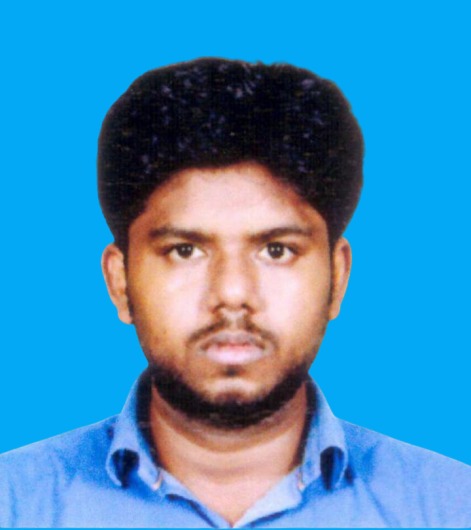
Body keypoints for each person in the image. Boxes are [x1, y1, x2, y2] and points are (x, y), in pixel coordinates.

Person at [0, 58, 469, 528]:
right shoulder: (16, 504)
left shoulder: (449, 506)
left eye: (277, 250)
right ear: (120, 281)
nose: (232, 293)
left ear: (337, 276)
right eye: (185, 251)